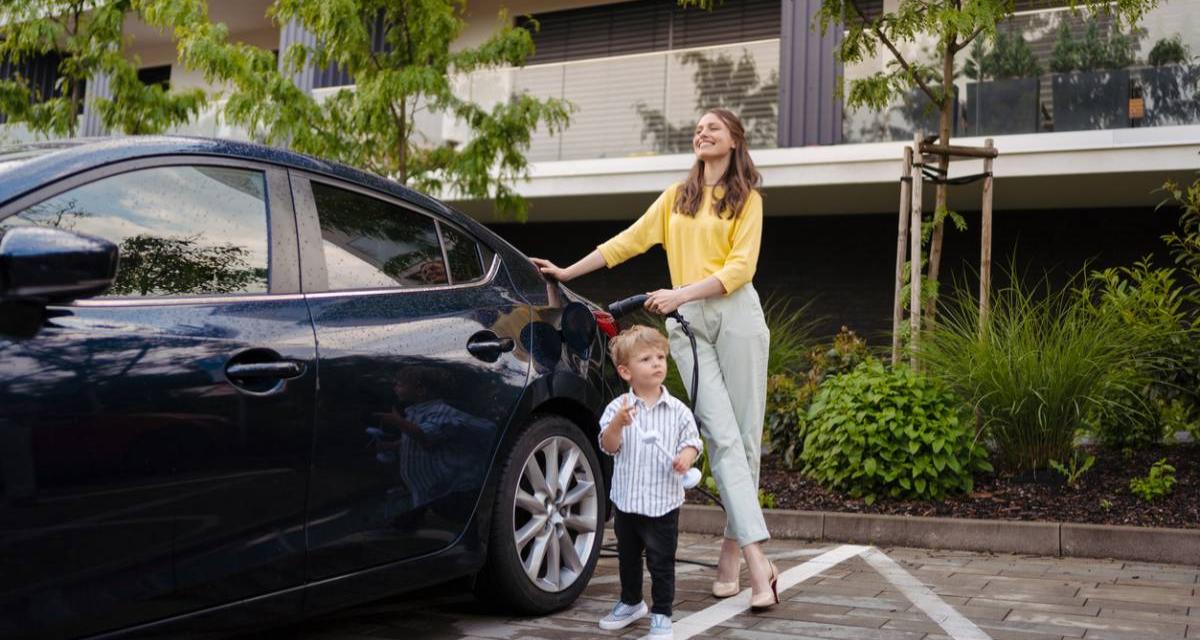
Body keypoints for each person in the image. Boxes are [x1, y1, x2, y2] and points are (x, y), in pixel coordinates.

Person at [530, 108, 779, 609]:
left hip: (734, 315)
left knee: (745, 440)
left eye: (714, 127)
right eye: (699, 126)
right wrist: (566, 273)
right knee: (720, 435)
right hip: (687, 326)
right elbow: (625, 243)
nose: (702, 132)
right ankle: (760, 566)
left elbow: (740, 268)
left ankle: (733, 551)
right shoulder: (676, 200)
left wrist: (681, 293)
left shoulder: (747, 200)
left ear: (734, 140)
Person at [596, 325, 703, 637]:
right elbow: (609, 445)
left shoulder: (678, 411)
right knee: (628, 558)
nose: (657, 363)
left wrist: (686, 456)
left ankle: (662, 613)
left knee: (661, 562)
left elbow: (693, 441)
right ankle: (631, 602)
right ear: (626, 371)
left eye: (660, 357)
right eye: (646, 359)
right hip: (627, 501)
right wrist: (618, 423)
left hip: (663, 504)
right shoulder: (618, 408)